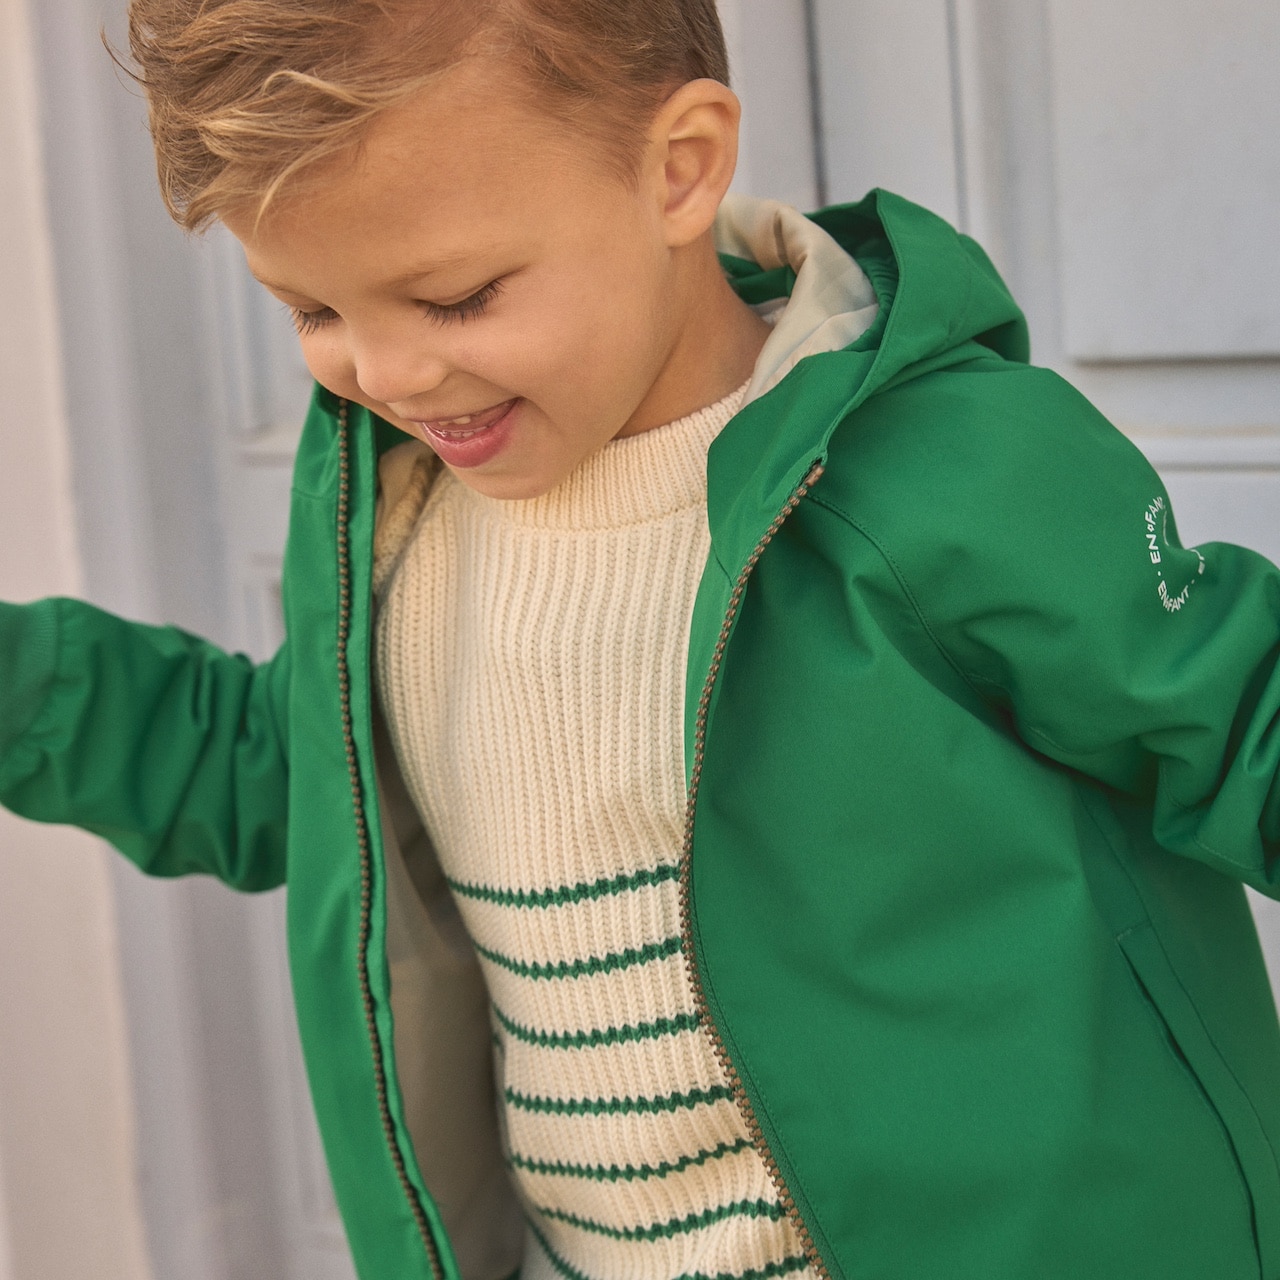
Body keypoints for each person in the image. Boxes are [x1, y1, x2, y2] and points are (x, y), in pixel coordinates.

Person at [3, 1, 1280, 1277]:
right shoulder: (403, 523)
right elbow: (295, 777)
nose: (382, 376)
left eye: (452, 297)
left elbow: (1240, 716)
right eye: (311, 311)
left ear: (677, 168)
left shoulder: (940, 473)